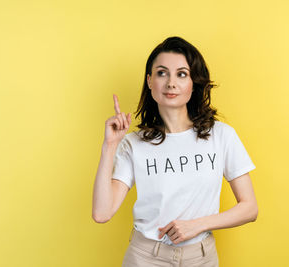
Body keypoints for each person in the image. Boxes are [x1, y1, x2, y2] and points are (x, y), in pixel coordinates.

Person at [92, 36, 258, 267]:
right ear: (150, 81)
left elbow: (250, 208)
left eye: (181, 74)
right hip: (145, 257)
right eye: (162, 73)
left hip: (201, 257)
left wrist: (198, 224)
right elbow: (102, 213)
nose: (171, 83)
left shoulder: (221, 135)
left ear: (193, 83)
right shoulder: (133, 144)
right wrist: (109, 146)